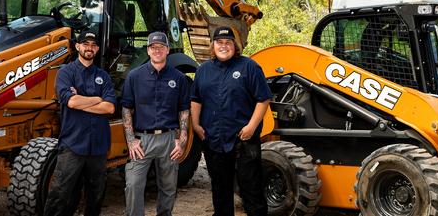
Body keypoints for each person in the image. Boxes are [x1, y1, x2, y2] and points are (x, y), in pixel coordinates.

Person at [191, 26, 272, 216]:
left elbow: (263, 98)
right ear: (213, 45)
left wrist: (251, 127)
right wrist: (195, 125)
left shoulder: (249, 67)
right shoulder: (203, 70)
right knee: (220, 189)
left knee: (250, 188)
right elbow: (195, 99)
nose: (224, 46)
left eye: (228, 43)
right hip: (213, 140)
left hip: (243, 140)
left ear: (235, 46)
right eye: (219, 42)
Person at [44, 30, 116, 216]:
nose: (89, 48)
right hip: (73, 145)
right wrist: (98, 99)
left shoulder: (104, 76)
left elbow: (109, 108)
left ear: (98, 48)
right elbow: (71, 102)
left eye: (93, 45)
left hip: (98, 146)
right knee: (61, 193)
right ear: (77, 47)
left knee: (96, 195)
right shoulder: (65, 72)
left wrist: (82, 100)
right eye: (85, 44)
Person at [121, 31, 190, 216]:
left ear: (167, 50)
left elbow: (184, 110)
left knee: (168, 188)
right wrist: (130, 140)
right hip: (141, 141)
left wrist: (181, 140)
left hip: (169, 140)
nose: (157, 50)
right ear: (148, 50)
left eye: (161, 47)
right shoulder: (134, 76)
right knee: (134, 185)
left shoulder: (179, 78)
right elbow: (127, 109)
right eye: (153, 47)